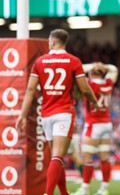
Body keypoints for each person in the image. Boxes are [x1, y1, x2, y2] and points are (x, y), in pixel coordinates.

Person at [15, 29, 99, 195]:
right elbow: (84, 88)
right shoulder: (73, 61)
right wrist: (94, 101)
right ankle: (48, 193)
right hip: (64, 113)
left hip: (46, 115)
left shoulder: (39, 61)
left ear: (53, 42)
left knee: (55, 156)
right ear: (64, 42)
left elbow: (31, 89)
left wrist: (22, 115)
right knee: (58, 157)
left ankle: (64, 192)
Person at [72, 62, 119, 195]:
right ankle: (104, 189)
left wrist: (93, 65)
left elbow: (79, 69)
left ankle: (85, 189)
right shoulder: (107, 83)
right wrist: (104, 66)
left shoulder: (90, 84)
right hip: (106, 124)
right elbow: (114, 69)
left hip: (93, 124)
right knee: (104, 157)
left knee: (87, 157)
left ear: (91, 73)